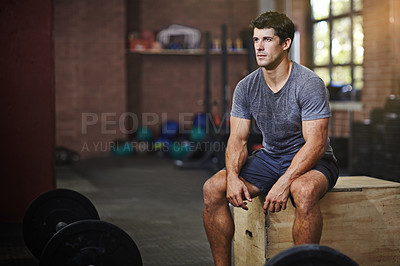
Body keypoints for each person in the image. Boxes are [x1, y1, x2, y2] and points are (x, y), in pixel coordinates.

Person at [203, 11, 339, 266]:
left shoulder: (308, 83)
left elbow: (316, 144)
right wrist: (232, 177)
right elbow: (238, 139)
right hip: (271, 158)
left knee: (304, 190)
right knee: (213, 188)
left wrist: (285, 181)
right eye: (256, 40)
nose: (259, 47)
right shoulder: (246, 86)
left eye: (267, 39)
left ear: (285, 43)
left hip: (314, 161)